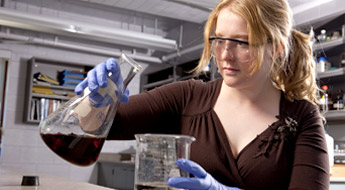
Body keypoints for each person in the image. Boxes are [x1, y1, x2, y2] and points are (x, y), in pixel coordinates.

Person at [75, 0, 330, 189]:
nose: (225, 55)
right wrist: (96, 98)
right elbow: (90, 126)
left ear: (276, 49)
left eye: (242, 42)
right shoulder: (188, 97)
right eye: (219, 40)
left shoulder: (302, 117)